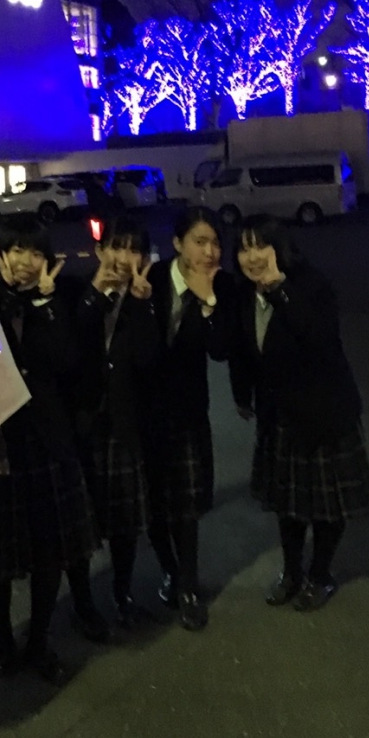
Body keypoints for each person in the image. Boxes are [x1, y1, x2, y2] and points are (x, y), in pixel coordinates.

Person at [0, 216, 100, 686]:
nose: (26, 261)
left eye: (36, 252)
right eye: (17, 250)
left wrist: (44, 303)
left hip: (47, 442)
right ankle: (4, 638)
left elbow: (66, 362)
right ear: (0, 253)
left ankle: (39, 640)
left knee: (50, 550)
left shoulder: (56, 298)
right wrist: (3, 298)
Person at [229, 215, 369, 612]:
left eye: (261, 246)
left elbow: (320, 341)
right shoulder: (243, 294)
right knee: (287, 505)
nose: (252, 257)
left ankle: (320, 575)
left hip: (324, 412)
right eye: (244, 248)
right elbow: (242, 349)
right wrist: (242, 395)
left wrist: (279, 290)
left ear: (280, 248)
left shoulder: (312, 285)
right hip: (279, 415)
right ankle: (292, 573)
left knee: (327, 505)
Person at [144, 206, 234, 632]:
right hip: (145, 411)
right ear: (178, 243)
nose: (210, 252)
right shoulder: (152, 278)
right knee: (152, 505)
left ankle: (188, 586)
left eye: (215, 243)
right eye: (200, 242)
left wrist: (208, 301)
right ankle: (170, 570)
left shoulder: (222, 285)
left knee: (185, 507)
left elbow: (220, 350)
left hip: (186, 412)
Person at [68, 217, 160, 632]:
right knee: (79, 523)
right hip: (83, 424)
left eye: (133, 249)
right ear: (100, 250)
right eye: (117, 247)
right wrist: (94, 294)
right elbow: (68, 351)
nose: (124, 257)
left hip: (123, 426)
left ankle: (122, 594)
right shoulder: (76, 290)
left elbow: (148, 360)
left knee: (124, 523)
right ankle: (83, 603)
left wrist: (140, 305)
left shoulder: (145, 297)